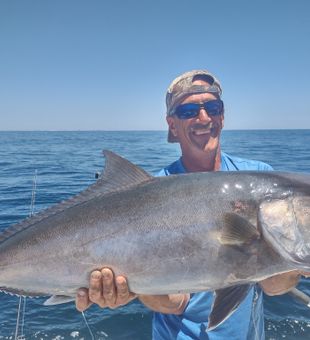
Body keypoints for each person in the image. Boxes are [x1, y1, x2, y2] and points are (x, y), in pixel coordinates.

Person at [75, 70, 306, 339]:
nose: (204, 117)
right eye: (188, 111)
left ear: (222, 115)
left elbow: (275, 286)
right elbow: (175, 302)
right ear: (172, 125)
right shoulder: (152, 188)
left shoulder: (259, 175)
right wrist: (125, 289)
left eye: (212, 107)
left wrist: (288, 258)